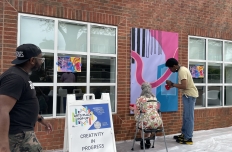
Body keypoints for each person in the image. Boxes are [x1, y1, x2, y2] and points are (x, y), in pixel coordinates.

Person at [0, 44, 53, 151]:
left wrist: (40, 119)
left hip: (22, 134)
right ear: (32, 60)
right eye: (40, 58)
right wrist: (3, 145)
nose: (41, 62)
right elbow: (2, 110)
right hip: (18, 136)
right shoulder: (15, 78)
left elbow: (22, 104)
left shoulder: (21, 75)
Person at [165, 58, 198, 145]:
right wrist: (173, 85)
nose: (170, 70)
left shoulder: (182, 71)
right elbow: (183, 85)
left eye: (170, 68)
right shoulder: (181, 70)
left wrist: (172, 84)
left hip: (190, 95)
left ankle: (188, 138)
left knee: (189, 117)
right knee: (185, 116)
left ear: (174, 66)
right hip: (187, 95)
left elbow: (184, 86)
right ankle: (184, 134)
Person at [129, 82, 162, 149]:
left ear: (142, 89)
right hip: (157, 122)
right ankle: (148, 140)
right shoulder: (154, 98)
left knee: (142, 120)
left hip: (145, 123)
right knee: (148, 119)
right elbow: (153, 110)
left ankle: (142, 141)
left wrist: (132, 109)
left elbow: (137, 112)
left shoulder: (140, 99)